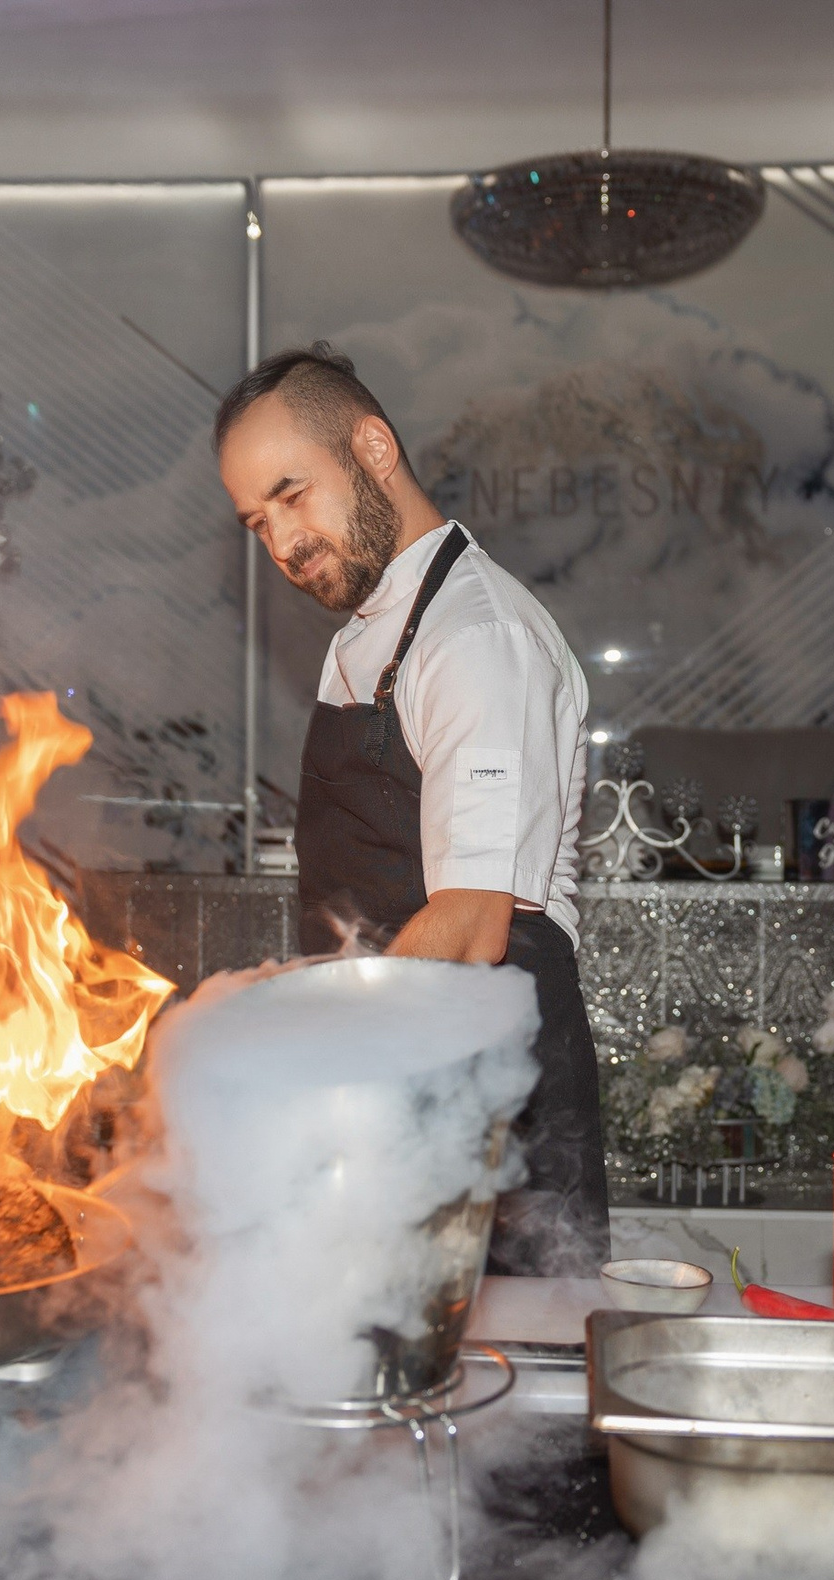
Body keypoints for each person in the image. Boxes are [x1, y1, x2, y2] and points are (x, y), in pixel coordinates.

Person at [214, 344, 607, 1277]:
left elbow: (471, 924)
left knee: (510, 1397)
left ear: (375, 447)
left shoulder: (475, 635)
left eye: (293, 494)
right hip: (409, 1081)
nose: (282, 544)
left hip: (497, 1118)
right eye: (256, 522)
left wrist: (307, 1058)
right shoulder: (368, 636)